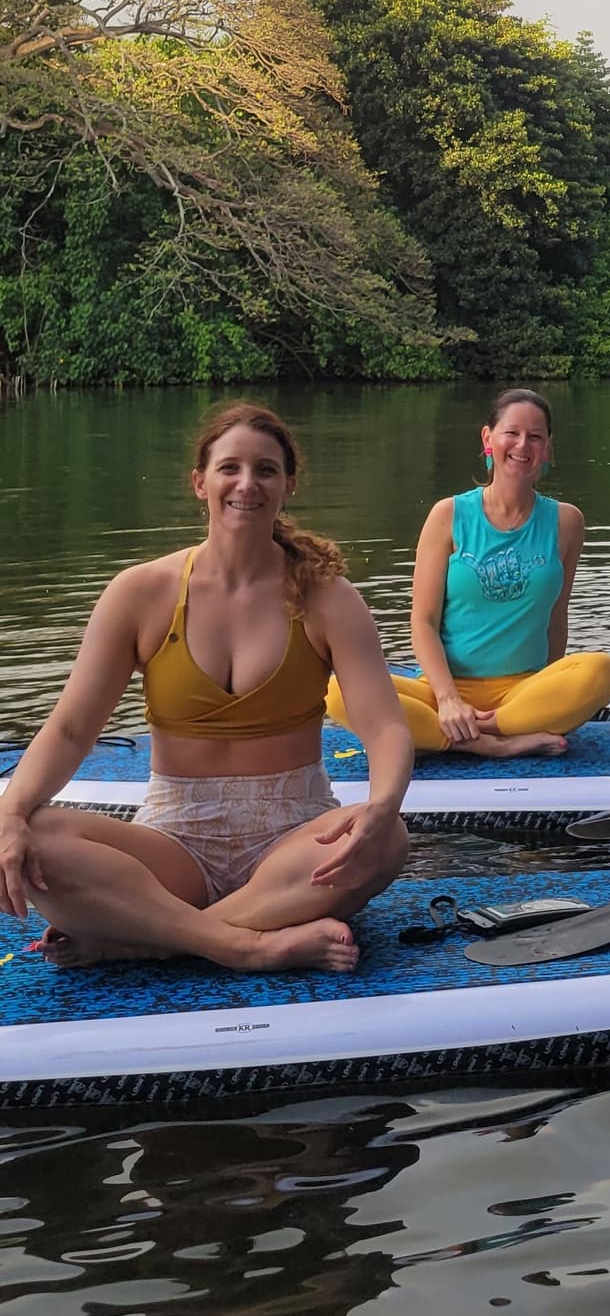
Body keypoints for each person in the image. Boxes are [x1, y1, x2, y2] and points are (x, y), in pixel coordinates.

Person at [0, 402, 412, 974]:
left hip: (293, 838)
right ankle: (246, 943)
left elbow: (384, 723)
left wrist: (383, 801)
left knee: (387, 837)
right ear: (200, 482)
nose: (248, 483)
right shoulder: (139, 593)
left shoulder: (326, 596)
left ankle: (150, 937)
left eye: (266, 470)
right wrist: (11, 813)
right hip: (174, 843)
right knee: (35, 839)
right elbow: (71, 729)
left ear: (288, 484)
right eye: (230, 468)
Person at [338, 388, 610, 760]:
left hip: (522, 691)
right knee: (337, 691)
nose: (523, 445)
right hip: (445, 689)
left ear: (548, 447)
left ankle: (460, 730)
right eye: (512, 433)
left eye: (535, 436)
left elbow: (557, 618)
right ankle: (492, 742)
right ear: (488, 438)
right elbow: (422, 622)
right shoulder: (448, 515)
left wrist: (552, 692)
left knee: (602, 671)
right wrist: (448, 698)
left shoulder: (567, 522)